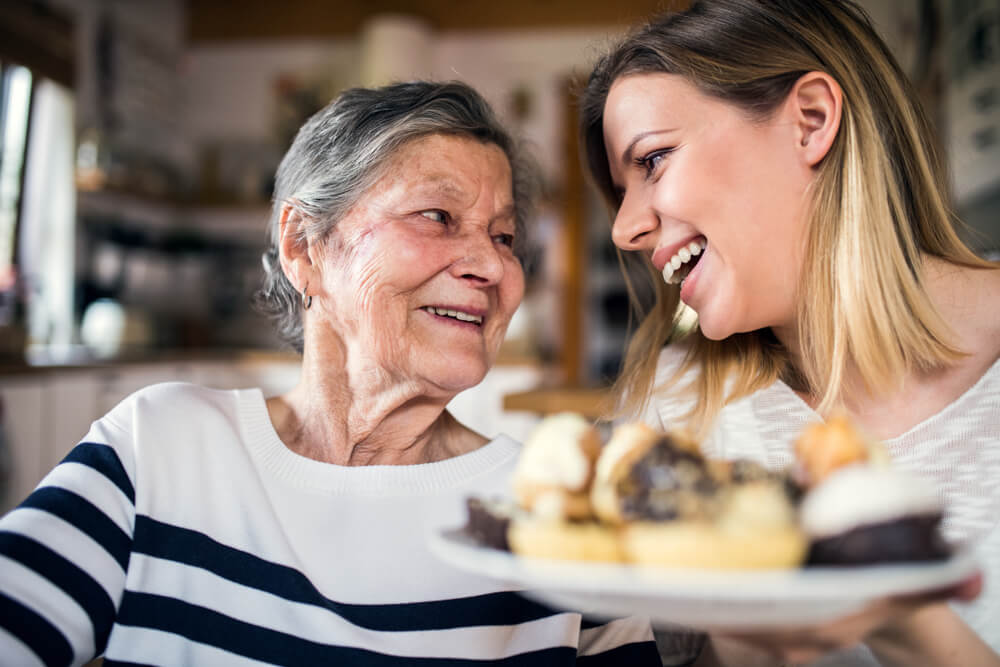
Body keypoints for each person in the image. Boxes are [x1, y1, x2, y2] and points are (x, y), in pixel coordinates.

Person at [0, 81, 661, 666]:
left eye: (504, 236)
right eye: (437, 216)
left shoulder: (560, 512)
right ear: (304, 247)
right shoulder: (160, 447)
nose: (489, 266)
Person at [579, 1, 1000, 665]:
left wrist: (914, 628)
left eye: (654, 160)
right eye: (621, 188)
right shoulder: (673, 412)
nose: (623, 228)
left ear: (810, 121)